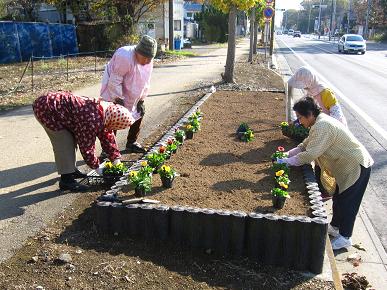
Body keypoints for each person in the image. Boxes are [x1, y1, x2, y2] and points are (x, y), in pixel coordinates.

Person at [277, 97, 373, 250]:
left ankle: (346, 237)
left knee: (348, 203)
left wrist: (287, 162)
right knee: (339, 198)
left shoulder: (323, 126)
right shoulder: (318, 124)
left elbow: (310, 154)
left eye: (300, 117)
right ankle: (335, 228)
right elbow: (305, 145)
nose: (299, 121)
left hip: (356, 166)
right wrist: (287, 155)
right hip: (345, 168)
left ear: (309, 114)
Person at [33, 91, 138, 191]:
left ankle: (71, 170)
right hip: (48, 109)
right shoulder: (91, 119)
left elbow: (108, 138)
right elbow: (87, 146)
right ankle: (66, 181)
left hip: (60, 108)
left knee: (70, 140)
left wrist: (116, 161)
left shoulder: (106, 112)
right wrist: (97, 168)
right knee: (64, 143)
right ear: (113, 120)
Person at [100, 35, 157, 153]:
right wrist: (118, 99)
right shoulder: (124, 56)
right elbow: (115, 81)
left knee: (139, 111)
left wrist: (141, 99)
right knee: (113, 115)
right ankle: (108, 149)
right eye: (145, 57)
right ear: (138, 51)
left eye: (149, 58)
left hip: (132, 88)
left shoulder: (148, 61)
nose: (147, 61)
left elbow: (146, 81)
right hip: (113, 89)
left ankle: (132, 142)